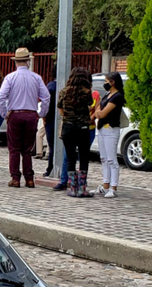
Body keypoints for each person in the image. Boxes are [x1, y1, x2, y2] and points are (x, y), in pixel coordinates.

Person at [0, 47, 50, 188]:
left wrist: (4, 114)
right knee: (27, 149)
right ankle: (29, 178)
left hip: (15, 114)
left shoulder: (10, 77)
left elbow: (1, 97)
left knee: (14, 148)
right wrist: (41, 113)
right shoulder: (36, 78)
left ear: (16, 62)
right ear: (28, 61)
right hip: (31, 113)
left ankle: (15, 178)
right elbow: (46, 97)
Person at [57, 67, 95, 197]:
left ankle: (72, 187)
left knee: (70, 158)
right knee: (84, 157)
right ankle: (82, 188)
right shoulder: (87, 91)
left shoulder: (63, 92)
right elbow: (90, 106)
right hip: (82, 127)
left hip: (68, 127)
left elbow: (61, 110)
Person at [94, 72, 126, 198]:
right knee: (104, 158)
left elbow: (102, 113)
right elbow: (98, 109)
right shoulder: (108, 95)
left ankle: (113, 187)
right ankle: (105, 185)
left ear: (113, 82)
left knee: (112, 158)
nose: (105, 83)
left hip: (111, 129)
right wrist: (99, 112)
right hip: (102, 128)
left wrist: (99, 113)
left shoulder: (117, 96)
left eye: (107, 81)